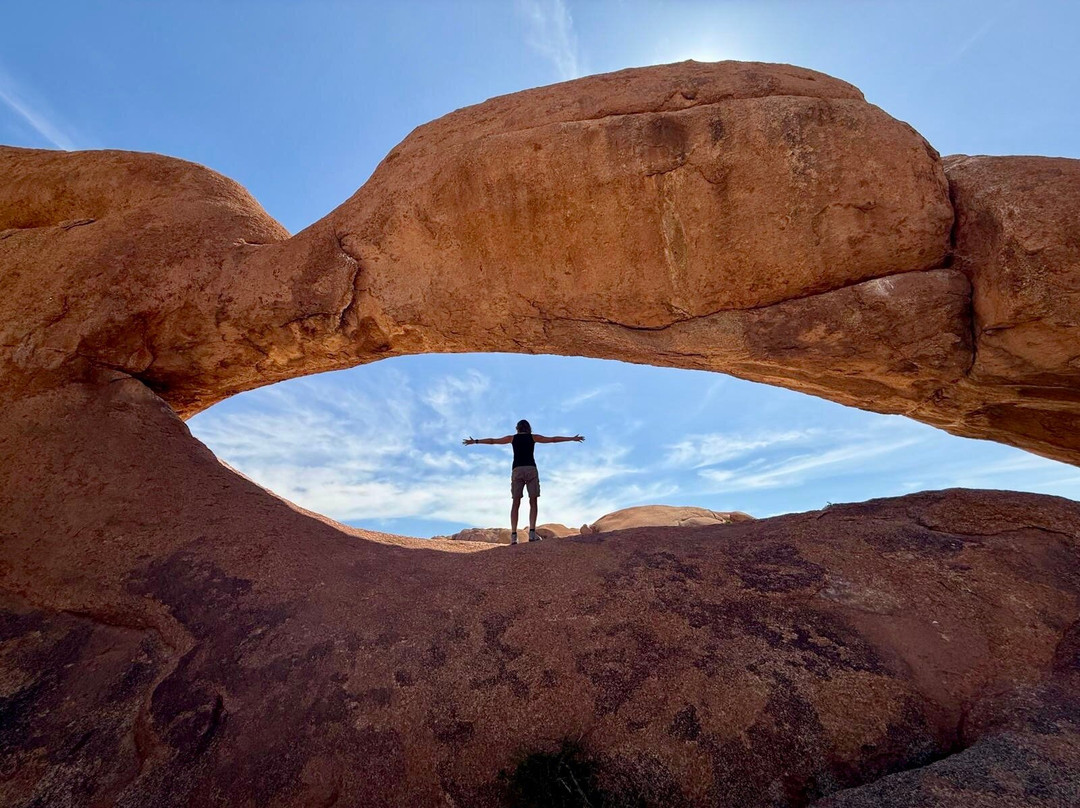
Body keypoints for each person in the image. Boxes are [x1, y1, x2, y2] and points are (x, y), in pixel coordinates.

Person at [463, 420, 584, 544]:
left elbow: (493, 441)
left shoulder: (512, 438)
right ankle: (532, 533)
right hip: (531, 469)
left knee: (516, 502)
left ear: (517, 428)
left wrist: (475, 441)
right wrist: (571, 438)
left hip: (517, 470)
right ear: (528, 428)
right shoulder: (533, 437)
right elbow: (552, 439)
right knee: (533, 500)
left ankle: (514, 535)